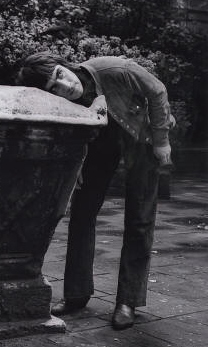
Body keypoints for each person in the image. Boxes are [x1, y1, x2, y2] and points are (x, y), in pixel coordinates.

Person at [17, 52, 174, 330]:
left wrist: (161, 141)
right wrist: (76, 167)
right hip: (101, 145)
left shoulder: (114, 69)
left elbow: (157, 90)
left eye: (59, 75)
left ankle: (128, 301)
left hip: (142, 138)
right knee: (81, 212)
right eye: (53, 88)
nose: (64, 87)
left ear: (65, 65)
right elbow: (70, 133)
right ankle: (77, 294)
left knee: (139, 218)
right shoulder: (62, 100)